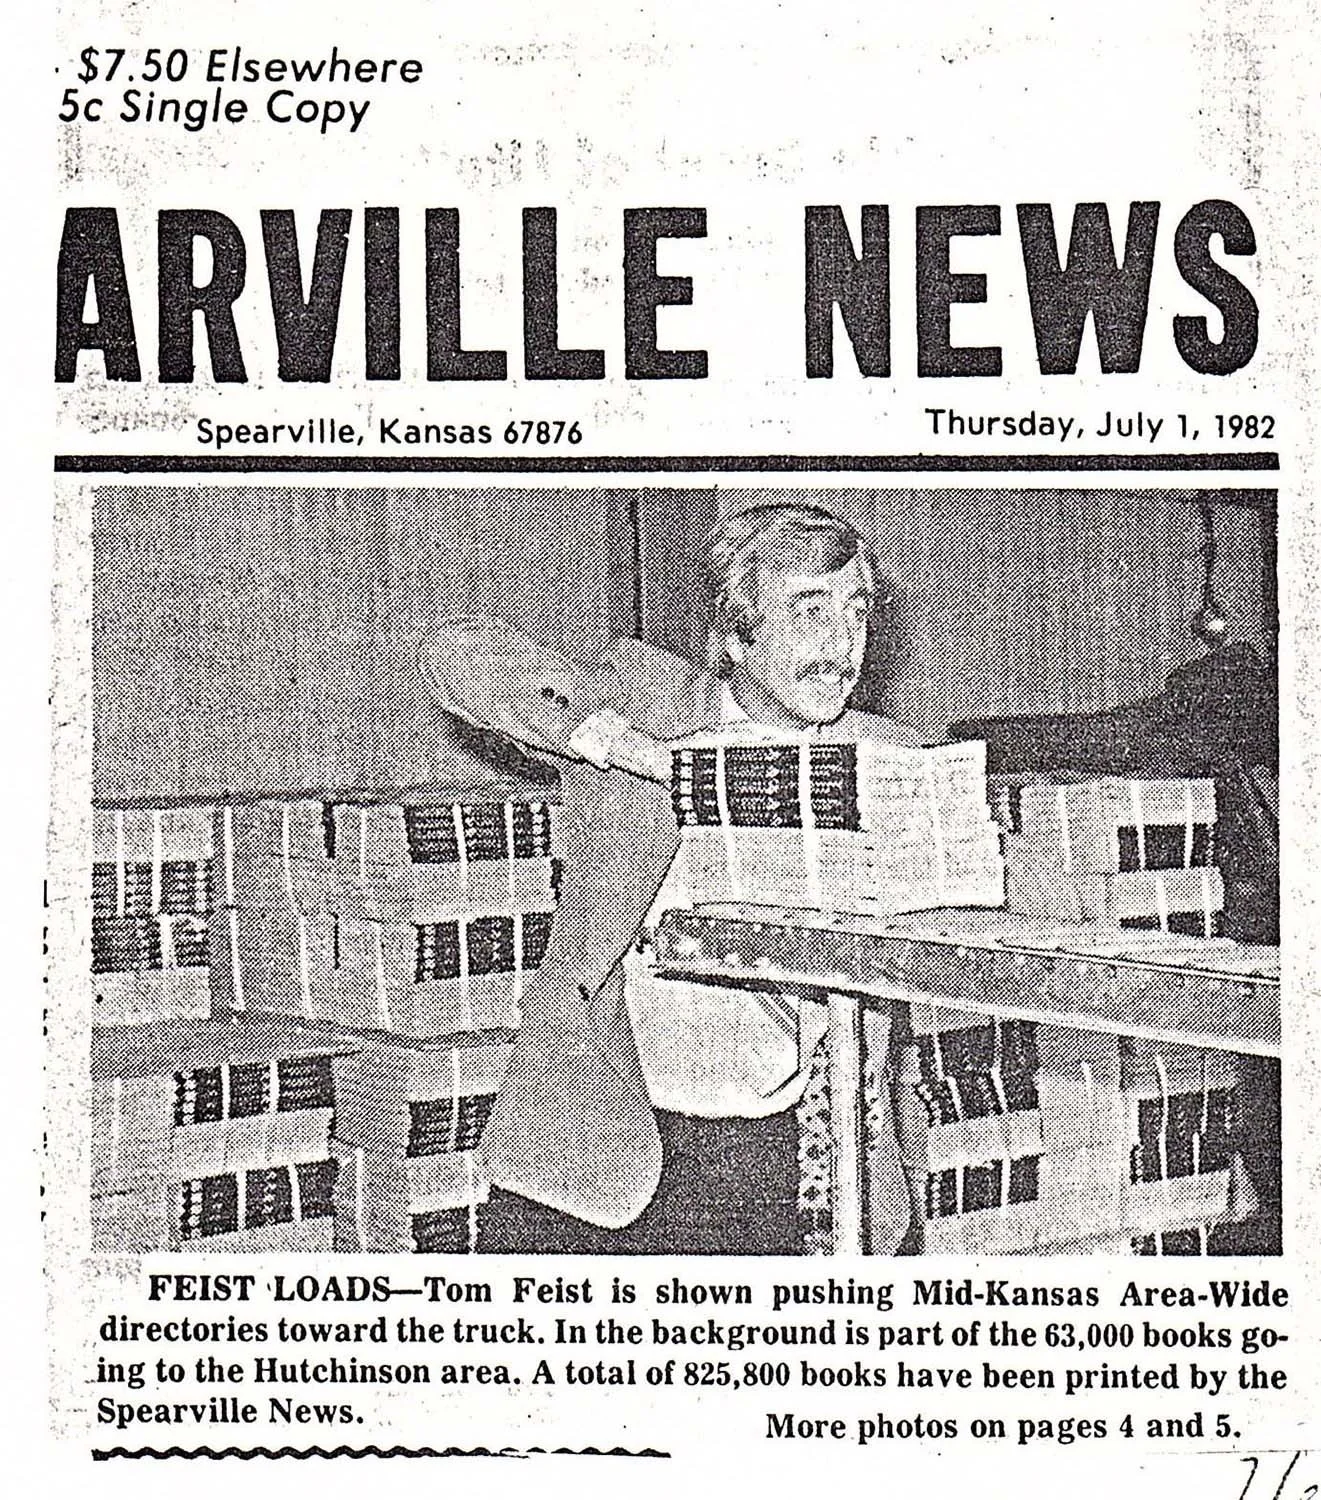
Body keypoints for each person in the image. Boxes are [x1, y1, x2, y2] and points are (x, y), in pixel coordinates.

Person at [421, 502, 922, 1253]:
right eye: (809, 609)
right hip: (609, 1134)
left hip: (781, 1158)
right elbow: (453, 653)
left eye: (856, 612)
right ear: (735, 635)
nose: (841, 644)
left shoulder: (889, 757)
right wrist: (621, 746)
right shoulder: (650, 706)